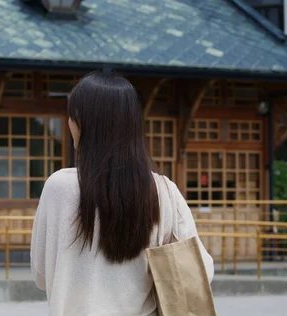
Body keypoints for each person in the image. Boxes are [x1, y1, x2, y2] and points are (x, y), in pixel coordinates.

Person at [30, 71, 214, 316]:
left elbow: (41, 276)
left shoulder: (58, 187)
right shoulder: (163, 190)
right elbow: (202, 271)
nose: (69, 124)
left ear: (82, 123)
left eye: (71, 116)